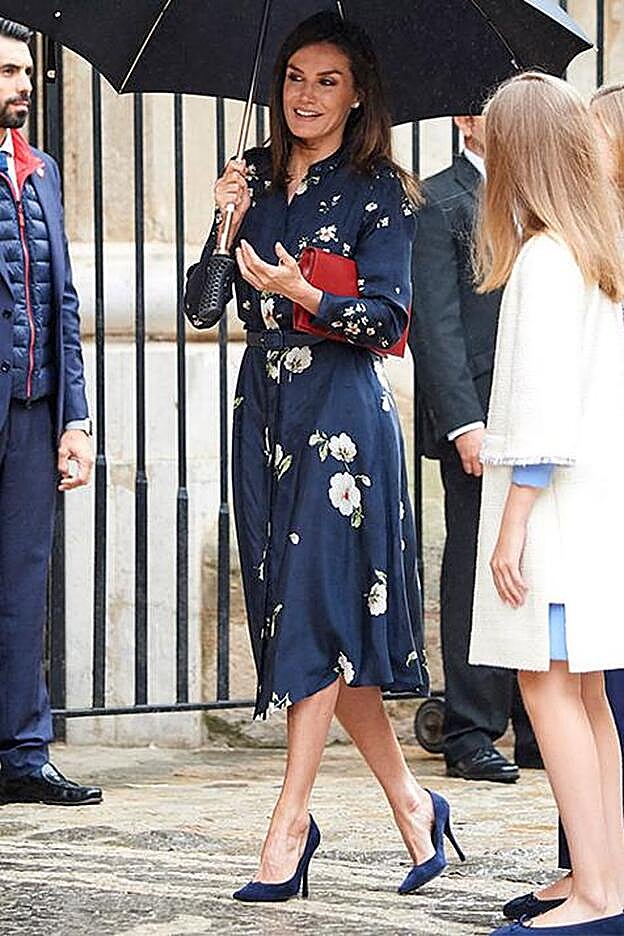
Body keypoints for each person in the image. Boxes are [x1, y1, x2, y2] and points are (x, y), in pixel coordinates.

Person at [186, 12, 463, 902]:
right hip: (263, 408)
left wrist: (305, 290)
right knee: (319, 629)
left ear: (358, 94)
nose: (305, 94)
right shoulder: (255, 183)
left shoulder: (385, 191)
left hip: (343, 416)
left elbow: (387, 321)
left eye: (327, 80)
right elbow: (200, 306)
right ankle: (415, 807)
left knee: (312, 614)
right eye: (295, 77)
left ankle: (288, 826)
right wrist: (224, 226)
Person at [470, 71, 624, 935]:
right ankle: (607, 880)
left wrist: (514, 525)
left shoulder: (544, 257)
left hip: (556, 512)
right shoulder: (596, 250)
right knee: (587, 693)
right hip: (594, 507)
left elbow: (537, 404)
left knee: (547, 686)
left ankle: (598, 893)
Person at [410, 115, 540, 783]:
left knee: (536, 566)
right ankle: (469, 729)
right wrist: (463, 423)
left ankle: (535, 726)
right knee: (474, 568)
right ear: (466, 118)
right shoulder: (437, 201)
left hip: (541, 417)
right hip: (480, 419)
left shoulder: (544, 196)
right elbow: (433, 323)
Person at [0, 19, 101, 807]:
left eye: (25, 71)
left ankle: (24, 753)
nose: (22, 85)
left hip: (34, 410)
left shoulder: (43, 170)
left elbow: (61, 301)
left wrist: (76, 419)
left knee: (23, 583)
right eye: (6, 72)